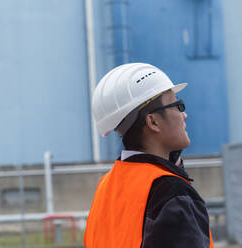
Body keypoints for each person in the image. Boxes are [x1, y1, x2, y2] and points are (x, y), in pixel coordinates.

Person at [84, 63, 214, 248]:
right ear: (153, 122)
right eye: (178, 105)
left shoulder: (105, 188)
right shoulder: (171, 192)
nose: (184, 115)